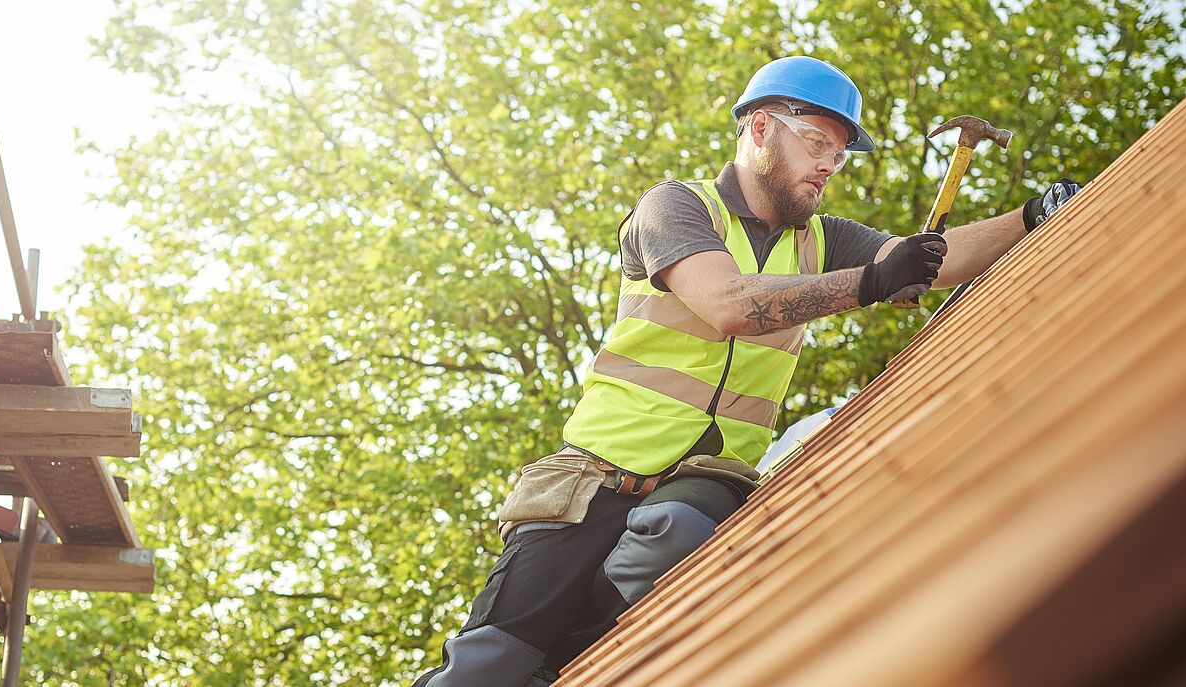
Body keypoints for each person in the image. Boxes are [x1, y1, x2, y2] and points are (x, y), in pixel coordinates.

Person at [412, 55, 1081, 687]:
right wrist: (876, 280)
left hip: (706, 482)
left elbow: (929, 259)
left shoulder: (825, 238)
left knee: (671, 533)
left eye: (840, 152)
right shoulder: (675, 208)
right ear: (761, 128)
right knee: (487, 661)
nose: (831, 165)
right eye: (819, 142)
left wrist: (1027, 218)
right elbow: (730, 306)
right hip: (588, 480)